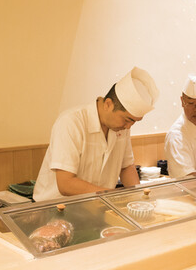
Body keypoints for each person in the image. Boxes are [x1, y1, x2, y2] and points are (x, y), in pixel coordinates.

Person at [33, 67, 159, 202]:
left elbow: (126, 167)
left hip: (97, 204)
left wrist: (139, 198)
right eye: (127, 120)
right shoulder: (71, 122)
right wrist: (112, 196)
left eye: (134, 122)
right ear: (108, 104)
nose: (128, 126)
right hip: (55, 206)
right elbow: (66, 184)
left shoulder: (122, 127)